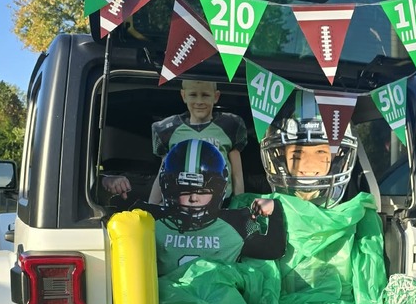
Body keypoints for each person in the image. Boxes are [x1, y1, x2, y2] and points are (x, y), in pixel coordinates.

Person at [149, 138, 285, 276]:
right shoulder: (149, 221)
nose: (193, 198)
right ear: (170, 188)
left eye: (202, 191)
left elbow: (273, 249)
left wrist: (275, 210)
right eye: (185, 190)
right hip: (168, 296)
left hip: (214, 296)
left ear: (218, 190)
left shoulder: (236, 224)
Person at [102, 78, 248, 203]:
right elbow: (163, 172)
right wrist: (152, 206)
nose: (199, 101)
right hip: (180, 201)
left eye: (205, 95)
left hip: (221, 203)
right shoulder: (169, 130)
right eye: (193, 95)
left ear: (215, 97)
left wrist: (239, 207)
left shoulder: (229, 126)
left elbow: (237, 174)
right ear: (184, 96)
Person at [259, 90, 358, 207]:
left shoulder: (357, 216)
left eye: (321, 151)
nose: (309, 164)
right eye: (297, 151)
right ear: (280, 155)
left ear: (337, 157)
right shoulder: (257, 213)